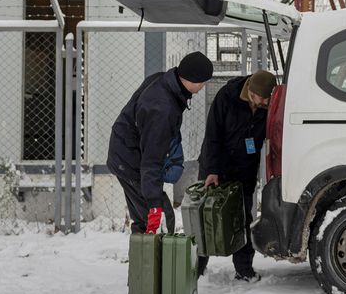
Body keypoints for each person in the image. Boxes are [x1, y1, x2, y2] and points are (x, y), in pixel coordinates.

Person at [107, 51, 213, 234]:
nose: (203, 87)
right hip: (131, 162)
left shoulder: (163, 82)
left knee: (148, 221)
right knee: (155, 219)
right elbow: (151, 158)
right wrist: (154, 203)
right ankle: (150, 258)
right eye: (202, 82)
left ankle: (147, 255)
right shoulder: (162, 108)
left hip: (127, 154)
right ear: (192, 79)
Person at [197, 69, 278, 281]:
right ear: (249, 89)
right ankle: (197, 267)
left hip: (245, 167)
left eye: (264, 100)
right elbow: (212, 135)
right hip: (216, 165)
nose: (259, 103)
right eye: (255, 98)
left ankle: (244, 269)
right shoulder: (227, 96)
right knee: (206, 216)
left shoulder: (270, 104)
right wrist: (212, 170)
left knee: (243, 217)